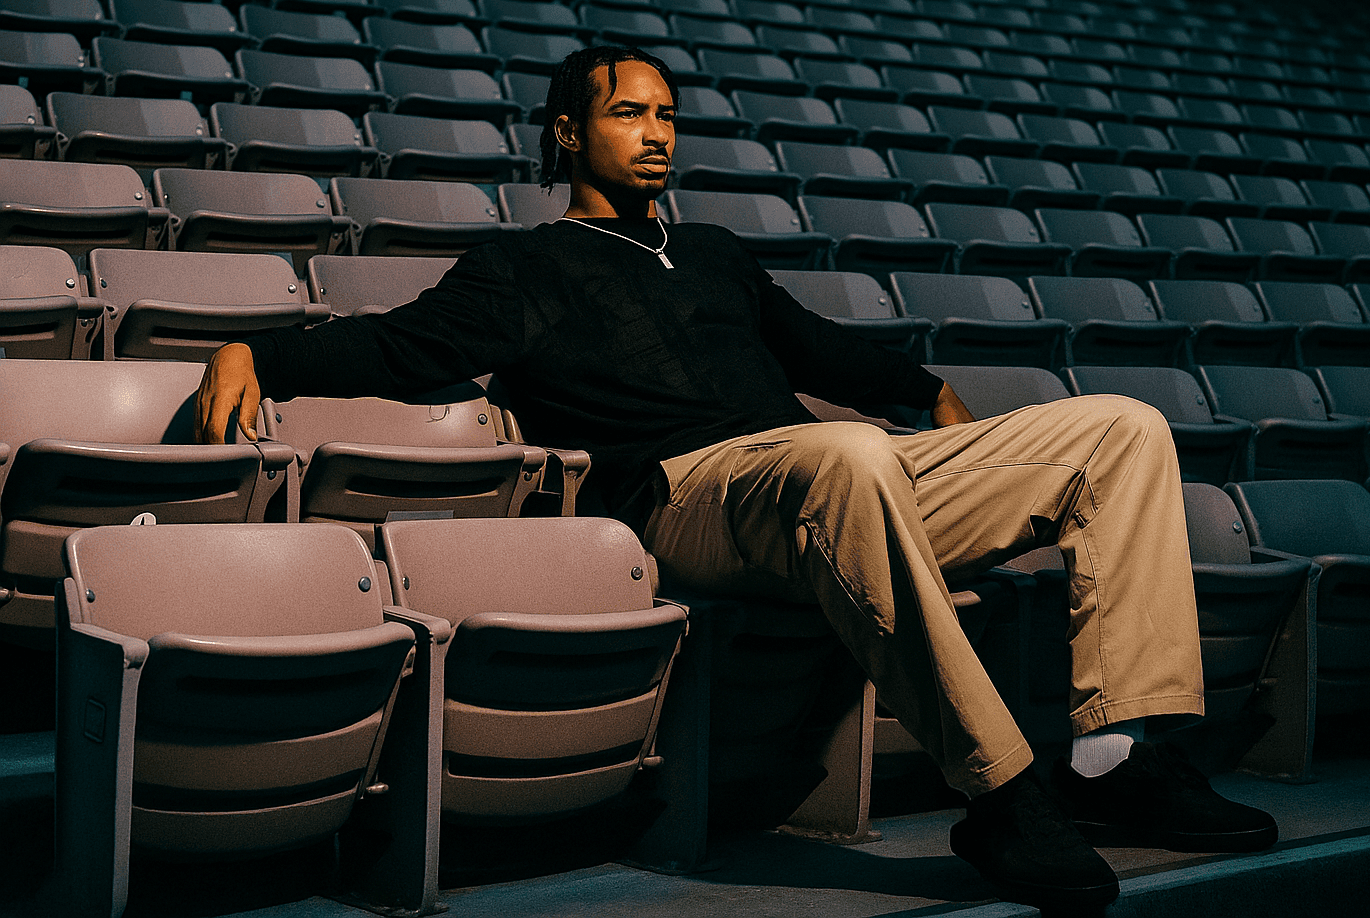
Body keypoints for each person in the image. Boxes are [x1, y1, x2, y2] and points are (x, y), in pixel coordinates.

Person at [196, 45, 1276, 912]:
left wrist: (925, 387)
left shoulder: (712, 250)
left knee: (1124, 428)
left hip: (835, 476)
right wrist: (261, 352)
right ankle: (1000, 790)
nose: (658, 132)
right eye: (630, 113)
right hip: (690, 497)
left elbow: (818, 352)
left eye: (668, 115)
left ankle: (1114, 755)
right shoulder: (521, 267)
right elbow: (400, 348)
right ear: (569, 130)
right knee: (843, 453)